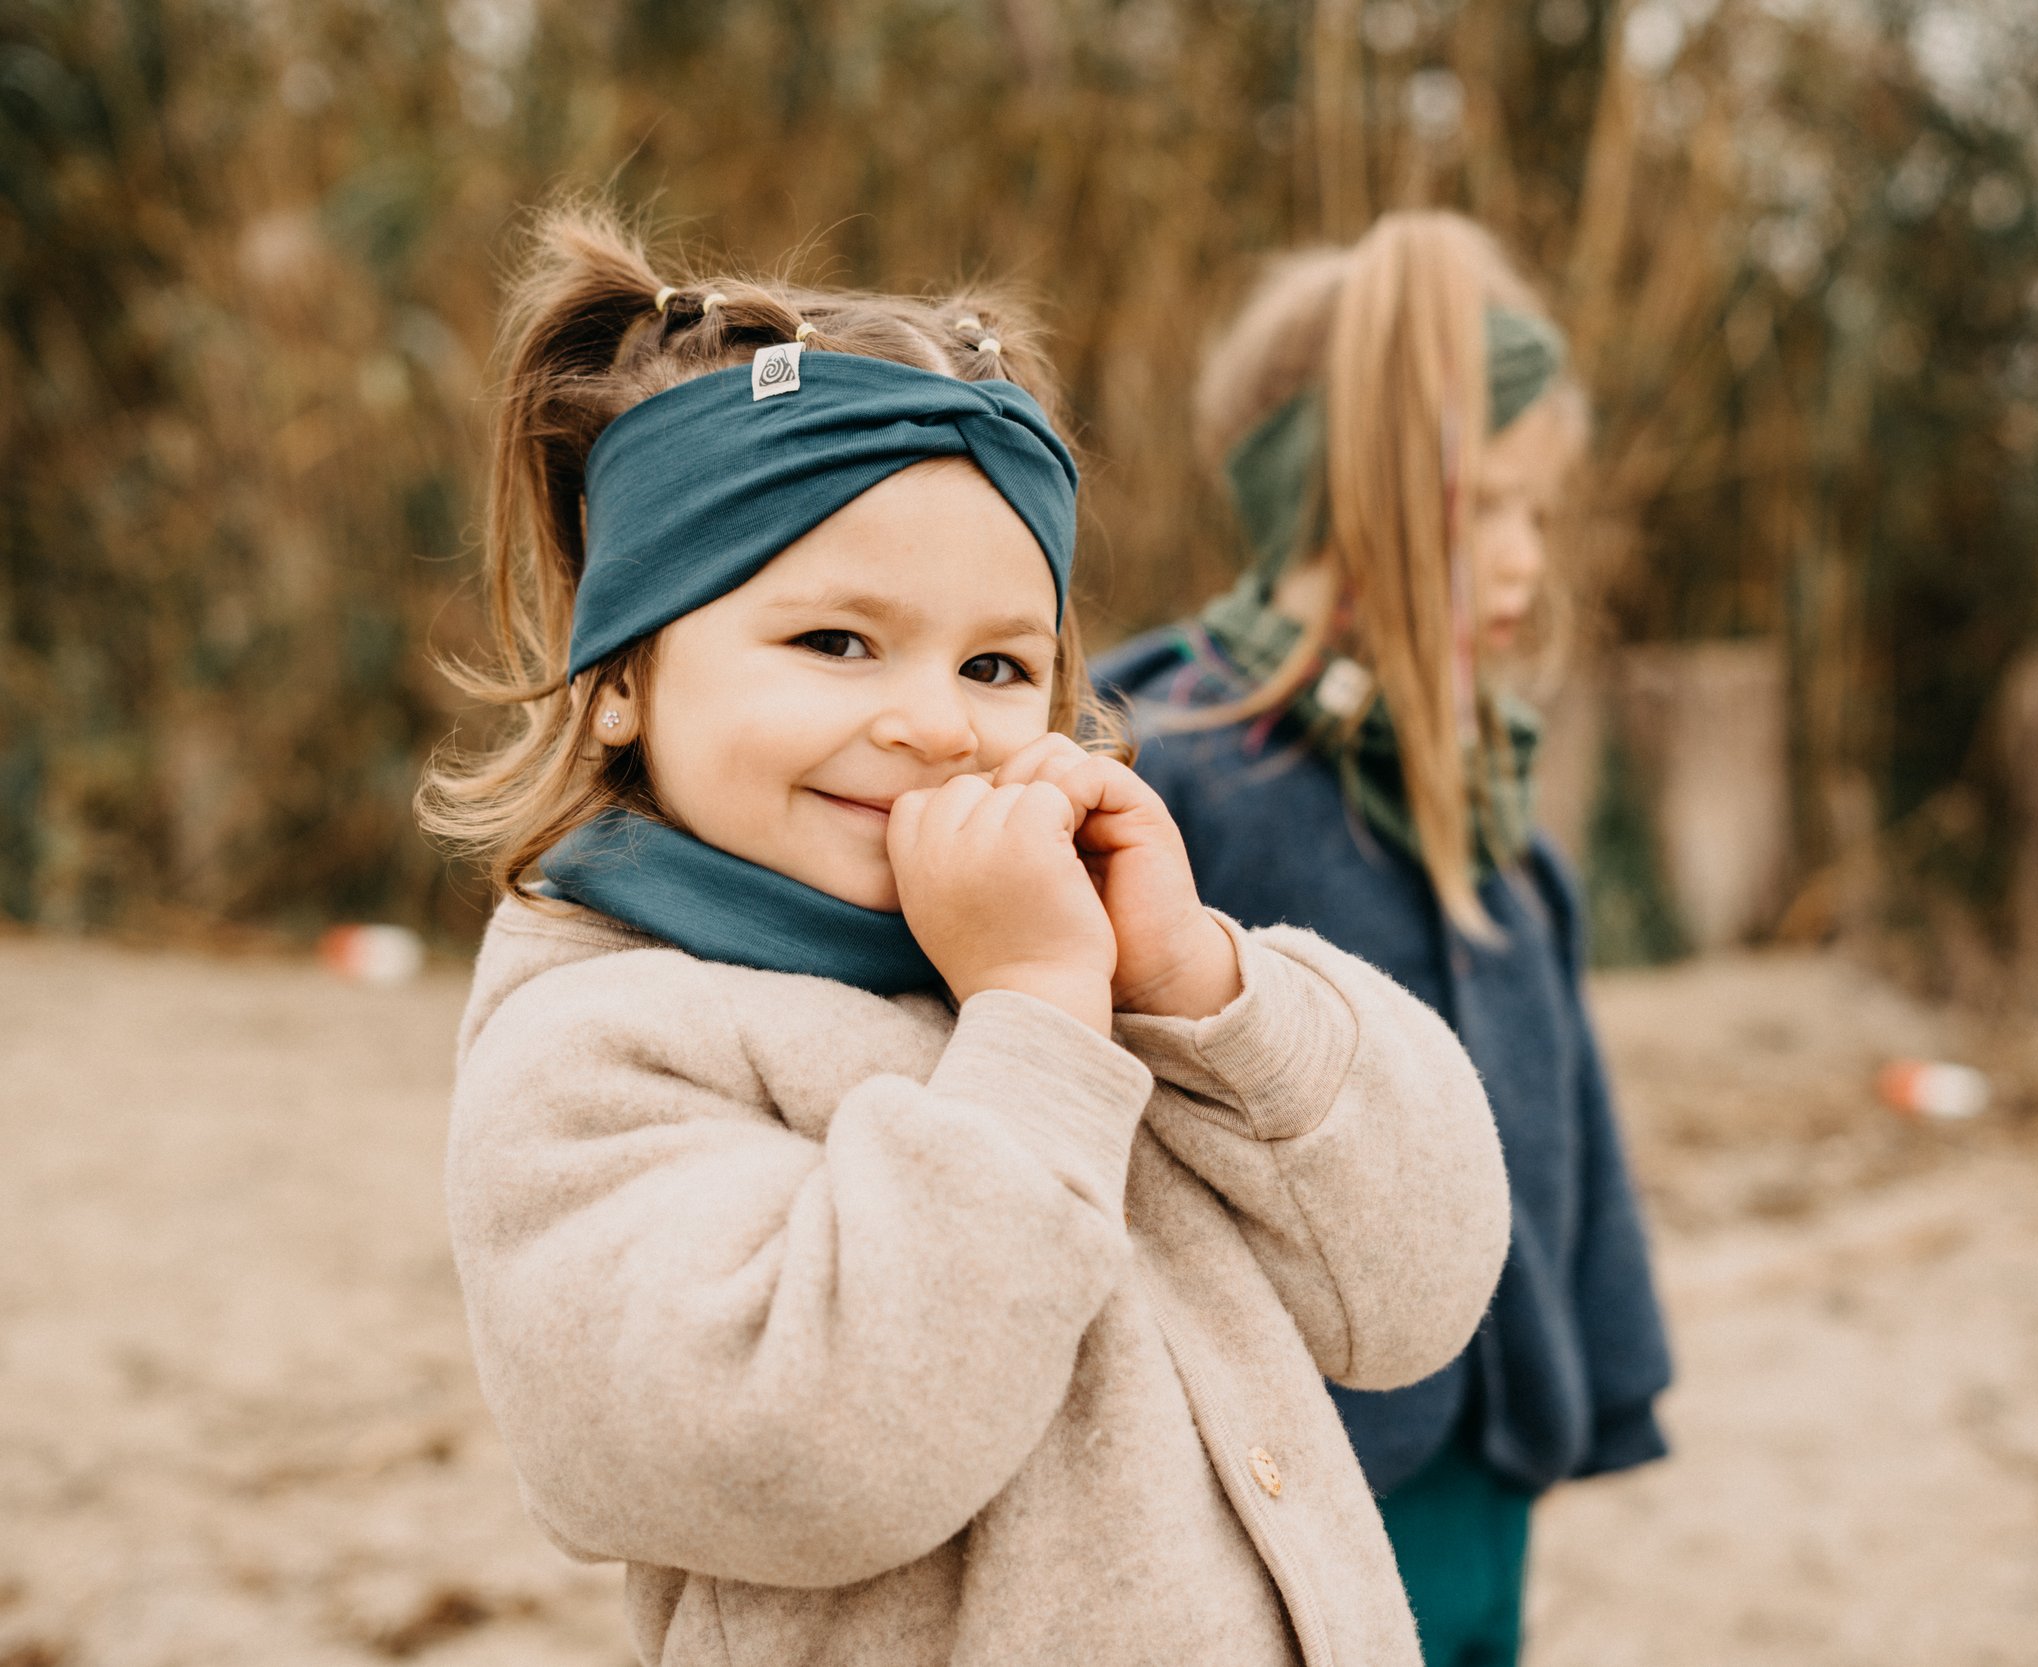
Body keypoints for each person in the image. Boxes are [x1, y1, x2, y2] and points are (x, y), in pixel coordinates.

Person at [419, 206, 1512, 1667]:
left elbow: (1413, 1293)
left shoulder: (1081, 975)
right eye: (836, 641)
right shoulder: (595, 1055)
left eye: (999, 664)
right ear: (619, 676)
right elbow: (814, 1454)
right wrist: (1036, 1024)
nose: (937, 723)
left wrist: (1205, 985)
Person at [1096, 210, 1675, 1667]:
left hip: (1482, 1454)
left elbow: (1563, 1134)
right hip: (1285, 1472)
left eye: (1543, 514)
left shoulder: (1488, 814)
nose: (1528, 562)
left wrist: (1598, 1376)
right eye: (1488, 507)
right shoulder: (1174, 787)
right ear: (1348, 497)